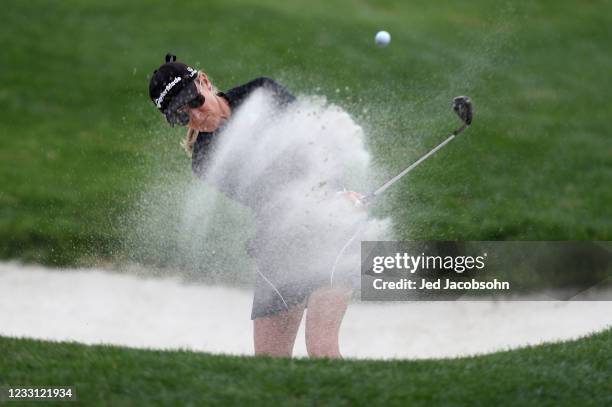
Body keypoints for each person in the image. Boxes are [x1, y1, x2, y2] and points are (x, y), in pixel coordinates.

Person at [149, 54, 366, 358]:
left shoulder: (262, 92)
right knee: (269, 362)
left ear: (205, 83)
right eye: (182, 116)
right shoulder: (205, 160)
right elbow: (268, 196)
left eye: (195, 102)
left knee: (321, 349)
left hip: (332, 233)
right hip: (280, 245)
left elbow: (319, 141)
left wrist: (340, 192)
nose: (195, 118)